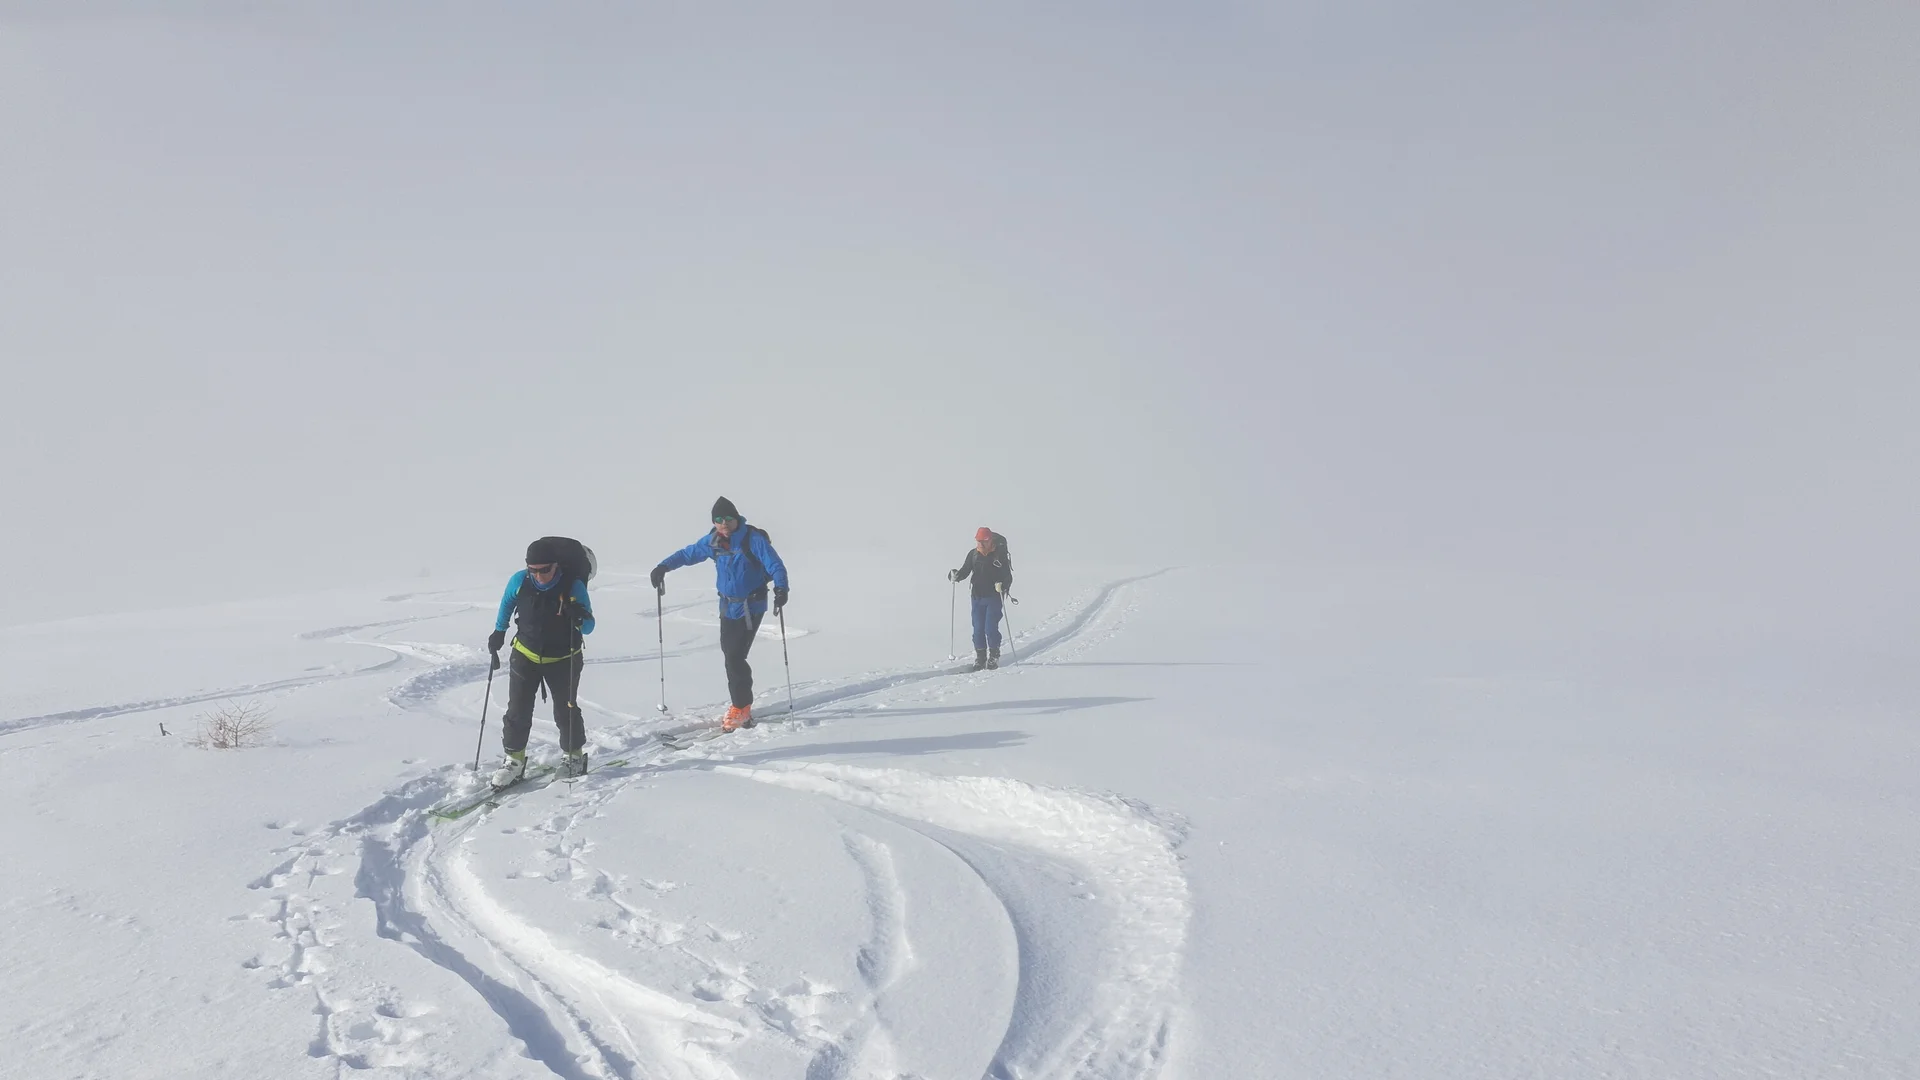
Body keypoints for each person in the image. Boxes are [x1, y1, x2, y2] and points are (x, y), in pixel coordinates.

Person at [650, 497, 790, 731]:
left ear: (736, 519)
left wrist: (781, 588)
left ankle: (742, 708)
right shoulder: (713, 541)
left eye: (728, 518)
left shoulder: (751, 539)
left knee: (735, 656)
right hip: (727, 607)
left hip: (751, 606)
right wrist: (663, 567)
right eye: (718, 519)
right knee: (730, 655)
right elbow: (688, 554)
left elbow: (775, 564)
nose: (724, 523)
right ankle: (741, 704)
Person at [485, 538, 595, 785]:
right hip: (525, 654)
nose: (538, 575)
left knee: (565, 709)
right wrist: (498, 632)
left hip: (564, 658)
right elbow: (506, 605)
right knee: (517, 710)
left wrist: (577, 615)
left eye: (544, 570)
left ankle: (573, 757)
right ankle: (514, 760)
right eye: (532, 570)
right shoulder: (519, 581)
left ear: (555, 566)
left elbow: (589, 627)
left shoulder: (573, 586)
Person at [949, 526, 1012, 670]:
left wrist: (1002, 586)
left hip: (994, 597)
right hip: (977, 597)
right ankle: (981, 657)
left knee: (990, 628)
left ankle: (994, 656)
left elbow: (1008, 576)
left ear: (990, 540)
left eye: (984, 541)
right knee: (978, 629)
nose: (981, 544)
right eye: (978, 541)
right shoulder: (973, 554)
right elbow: (965, 571)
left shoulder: (999, 555)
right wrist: (955, 575)